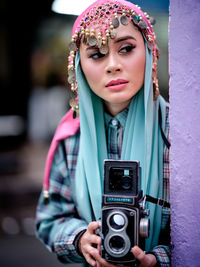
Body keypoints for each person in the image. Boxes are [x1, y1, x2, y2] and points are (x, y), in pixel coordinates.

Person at [35, 0, 171, 266]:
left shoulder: (178, 135)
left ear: (149, 50)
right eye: (96, 54)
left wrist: (160, 260)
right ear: (79, 67)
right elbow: (49, 220)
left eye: (126, 49)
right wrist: (80, 240)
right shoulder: (70, 137)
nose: (113, 65)